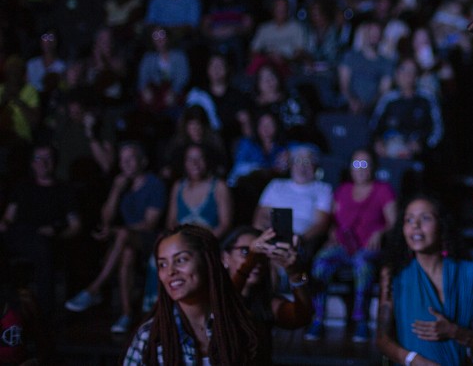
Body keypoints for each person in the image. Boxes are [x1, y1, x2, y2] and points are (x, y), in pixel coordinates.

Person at [122, 224, 264, 365]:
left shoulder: (240, 328)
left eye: (181, 260)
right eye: (162, 264)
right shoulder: (150, 337)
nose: (170, 271)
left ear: (207, 261)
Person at [64, 141, 167, 335]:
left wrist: (116, 232)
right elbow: (106, 219)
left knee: (123, 235)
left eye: (130, 159)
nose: (125, 164)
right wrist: (116, 191)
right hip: (126, 242)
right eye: (122, 160)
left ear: (142, 161)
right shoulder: (121, 184)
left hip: (151, 240)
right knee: (127, 253)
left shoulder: (155, 184)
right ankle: (126, 314)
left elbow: (149, 224)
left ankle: (94, 288)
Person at [376, 194, 473, 366]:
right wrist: (414, 360)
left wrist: (455, 332)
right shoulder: (394, 274)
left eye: (425, 218)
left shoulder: (472, 273)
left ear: (442, 225)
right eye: (409, 220)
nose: (415, 226)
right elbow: (382, 339)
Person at [306, 148, 398, 342]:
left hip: (367, 248)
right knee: (320, 263)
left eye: (365, 164)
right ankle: (318, 318)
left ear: (373, 167)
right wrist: (331, 233)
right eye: (356, 164)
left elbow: (394, 222)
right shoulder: (343, 190)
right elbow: (333, 220)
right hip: (342, 245)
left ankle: (360, 319)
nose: (361, 168)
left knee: (362, 265)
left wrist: (380, 232)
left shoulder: (383, 190)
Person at [0, 143, 81, 314]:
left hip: (47, 238)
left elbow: (75, 226)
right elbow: (8, 217)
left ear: (55, 162)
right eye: (38, 158)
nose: (43, 163)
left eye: (47, 158)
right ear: (32, 163)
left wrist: (58, 234)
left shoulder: (64, 190)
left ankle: (44, 313)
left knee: (43, 249)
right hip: (19, 236)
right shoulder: (22, 187)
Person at [221, 226, 313, 355]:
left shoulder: (267, 303)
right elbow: (225, 306)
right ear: (225, 257)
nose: (256, 261)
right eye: (246, 252)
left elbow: (302, 318)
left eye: (262, 254)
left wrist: (296, 273)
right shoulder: (211, 297)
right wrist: (249, 262)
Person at [253, 144, 332, 256]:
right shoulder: (276, 185)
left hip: (301, 242)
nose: (302, 167)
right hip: (272, 238)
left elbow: (321, 224)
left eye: (307, 162)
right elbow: (261, 216)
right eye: (298, 161)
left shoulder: (323, 189)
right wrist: (264, 237)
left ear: (315, 166)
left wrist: (299, 239)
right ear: (291, 164)